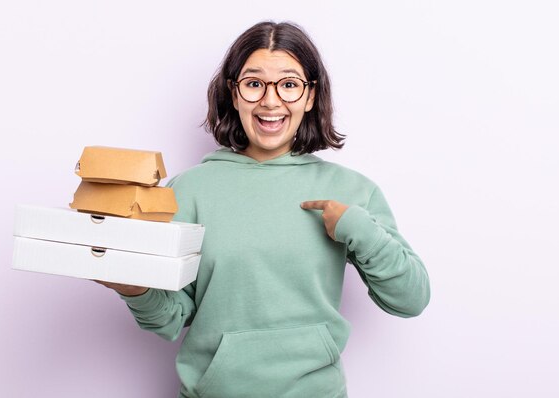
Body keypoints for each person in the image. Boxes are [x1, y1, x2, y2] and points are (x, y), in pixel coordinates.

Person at [96, 20, 430, 398]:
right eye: (254, 84)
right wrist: (134, 289)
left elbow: (410, 300)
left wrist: (361, 230)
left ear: (309, 96)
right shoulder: (188, 191)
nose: (271, 101)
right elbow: (172, 318)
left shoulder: (352, 191)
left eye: (289, 85)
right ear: (233, 94)